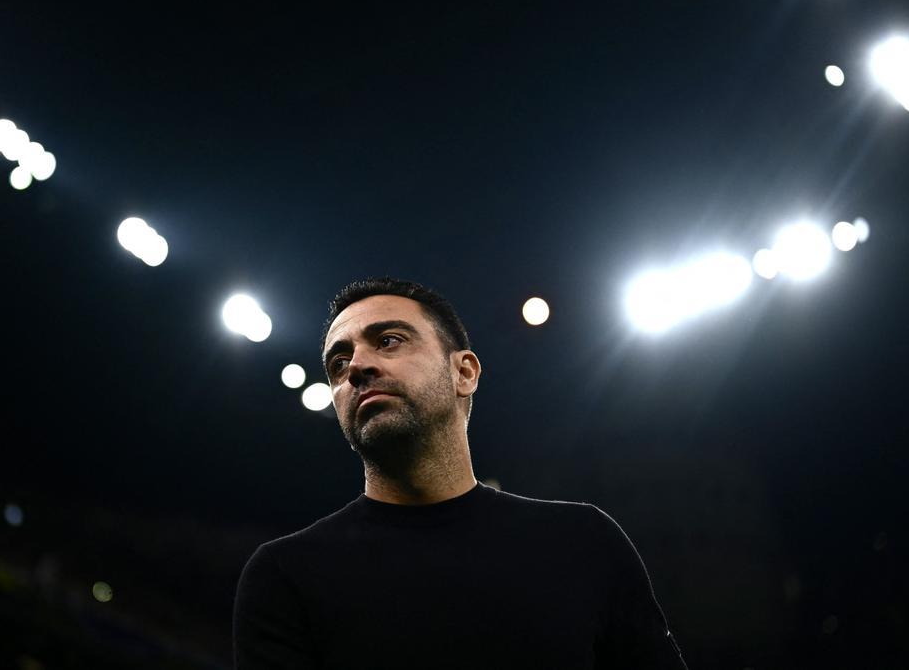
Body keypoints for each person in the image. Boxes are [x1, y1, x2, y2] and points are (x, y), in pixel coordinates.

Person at [233, 277, 687, 669]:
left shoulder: (585, 541)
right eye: (338, 363)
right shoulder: (285, 574)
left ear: (464, 372)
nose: (357, 368)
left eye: (389, 340)